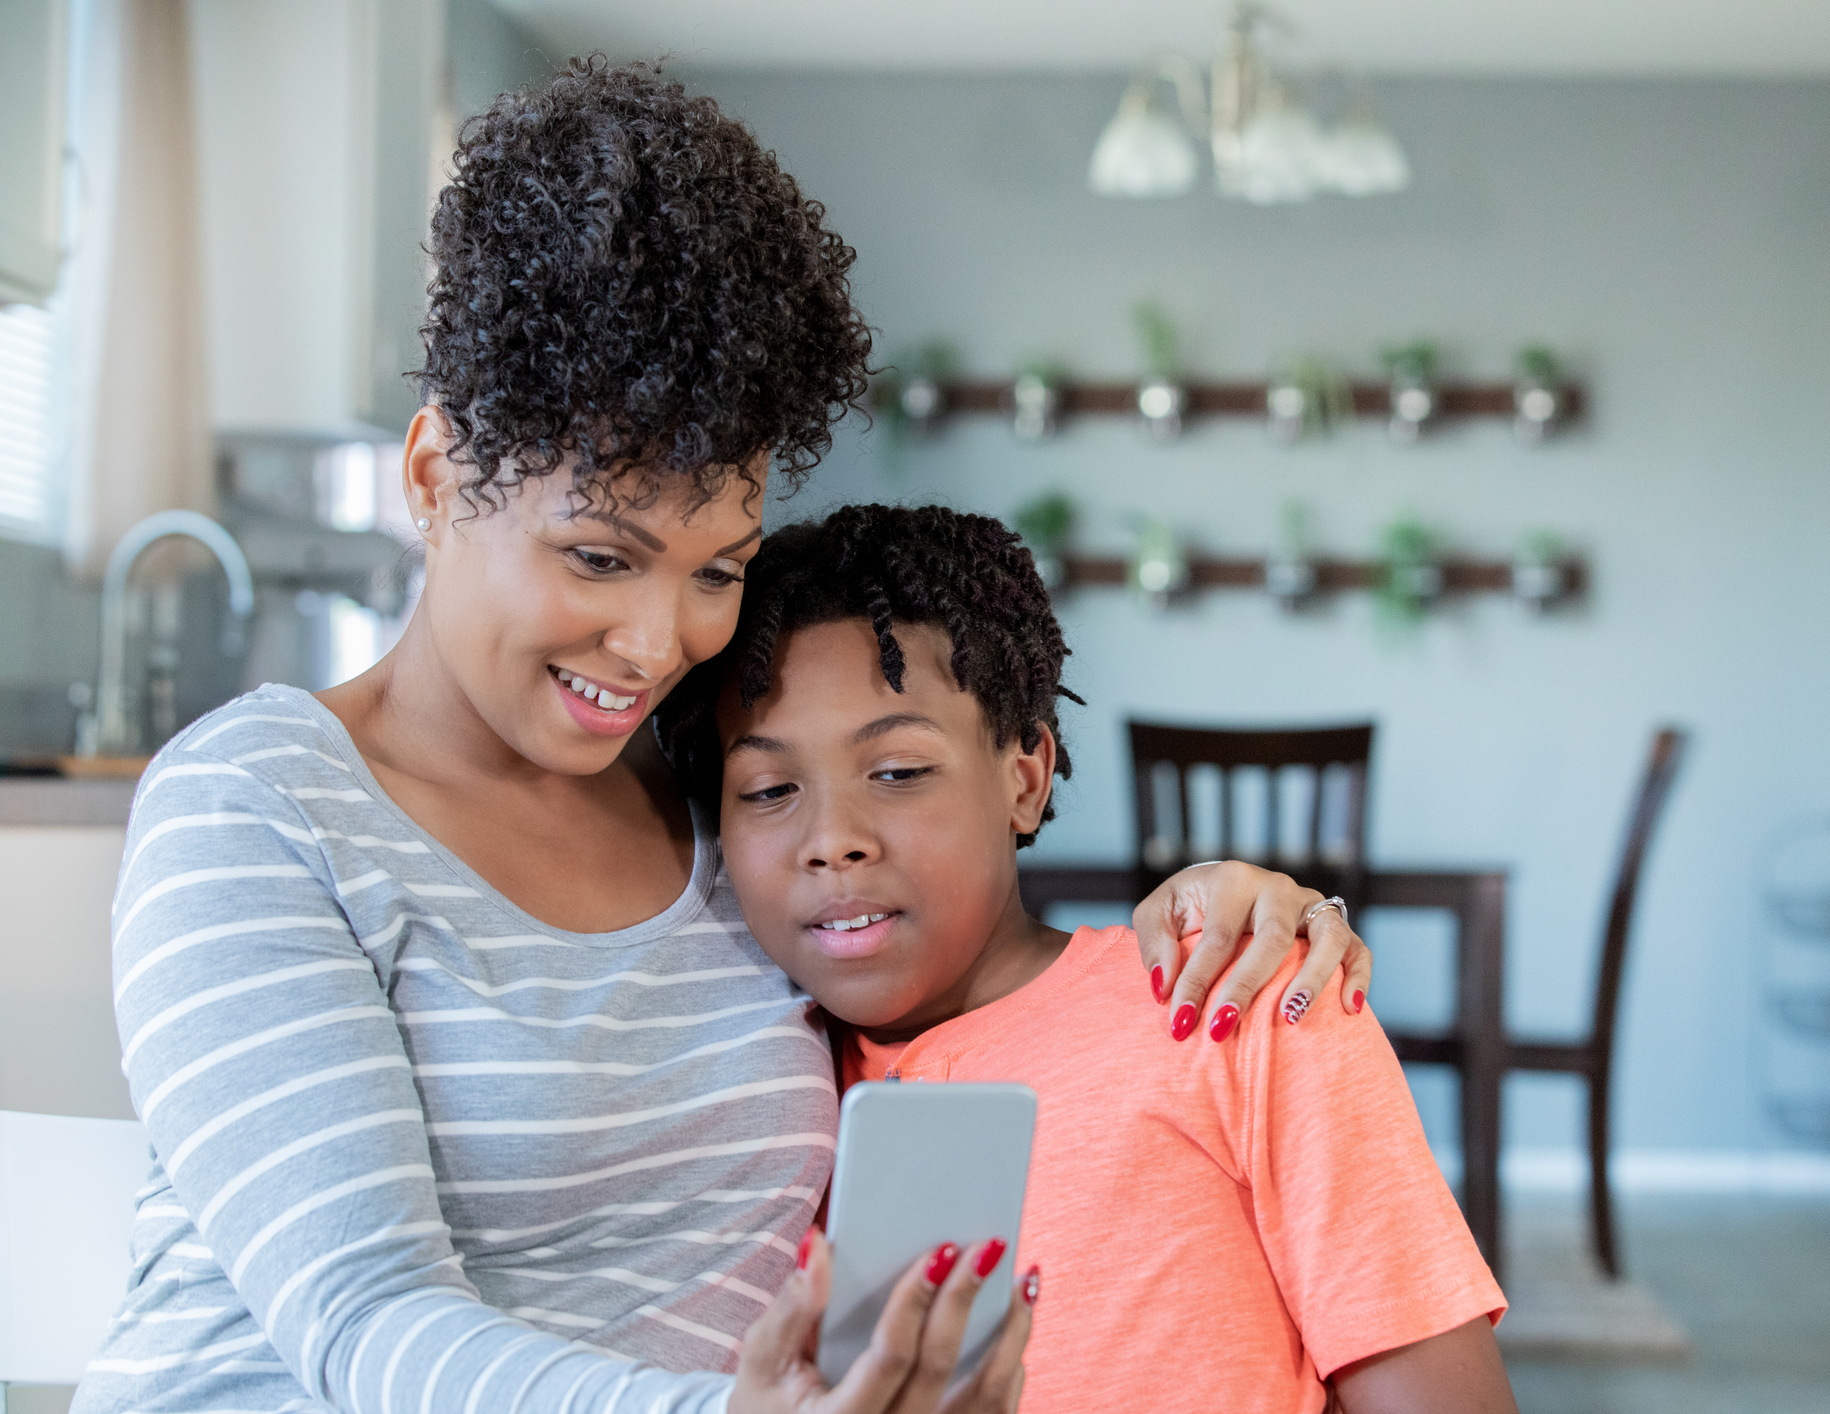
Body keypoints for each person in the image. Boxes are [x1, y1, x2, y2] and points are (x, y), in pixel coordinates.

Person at [78, 60, 1373, 1414]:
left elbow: (962, 967)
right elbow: (360, 1317)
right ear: (429, 478)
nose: (655, 641)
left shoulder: (723, 807)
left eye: (716, 568)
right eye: (597, 555)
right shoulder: (255, 807)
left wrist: (1221, 910)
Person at [690, 505, 1517, 1414]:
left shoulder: (1232, 1001)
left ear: (1025, 775)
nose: (832, 841)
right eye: (768, 789)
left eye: (897, 771)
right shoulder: (752, 1099)